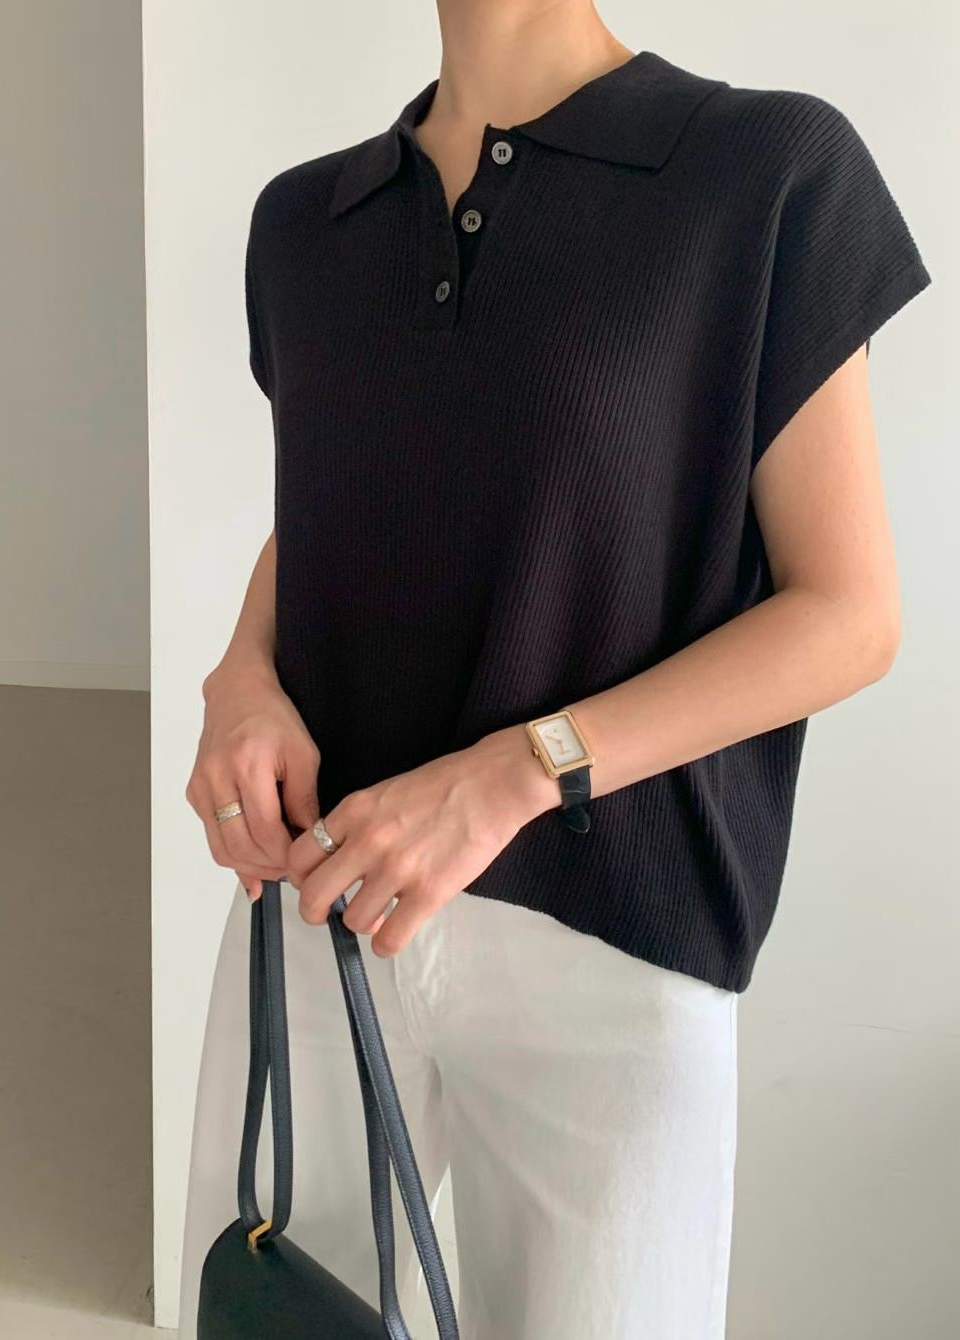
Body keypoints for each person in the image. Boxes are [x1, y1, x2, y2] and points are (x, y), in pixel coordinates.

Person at [177, 5, 931, 1337]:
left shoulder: (762, 174)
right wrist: (240, 677)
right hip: (321, 907)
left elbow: (846, 614)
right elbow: (333, 509)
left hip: (610, 946)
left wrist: (514, 774)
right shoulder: (306, 222)